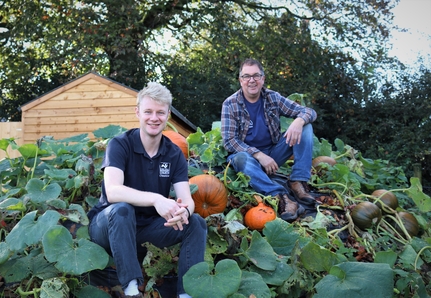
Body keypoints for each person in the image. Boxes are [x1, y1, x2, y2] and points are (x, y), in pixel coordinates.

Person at [88, 82, 207, 298]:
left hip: (146, 230)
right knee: (122, 209)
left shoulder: (173, 154)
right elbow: (113, 191)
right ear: (137, 113)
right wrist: (156, 199)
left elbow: (187, 200)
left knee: (196, 222)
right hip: (108, 227)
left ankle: (186, 294)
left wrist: (185, 212)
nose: (154, 118)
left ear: (168, 115)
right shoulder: (119, 144)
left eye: (160, 112)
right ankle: (132, 290)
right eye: (148, 112)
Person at [221, 58, 317, 222]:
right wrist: (258, 154)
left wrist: (299, 121)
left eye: (256, 75)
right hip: (249, 159)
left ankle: (298, 181)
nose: (252, 80)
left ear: (263, 79)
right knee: (241, 159)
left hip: (273, 155)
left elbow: (309, 112)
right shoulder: (230, 104)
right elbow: (229, 141)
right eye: (246, 76)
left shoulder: (273, 98)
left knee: (306, 127)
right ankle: (282, 196)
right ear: (240, 80)